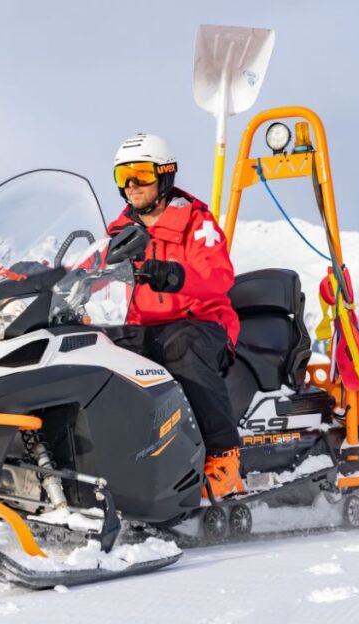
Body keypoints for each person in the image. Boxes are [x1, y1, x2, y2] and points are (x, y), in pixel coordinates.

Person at [107, 133, 245, 498]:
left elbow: (218, 276)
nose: (132, 184)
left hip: (202, 323)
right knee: (94, 348)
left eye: (141, 174)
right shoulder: (120, 231)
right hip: (144, 327)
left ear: (165, 175)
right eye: (124, 176)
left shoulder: (195, 222)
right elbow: (90, 267)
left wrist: (174, 274)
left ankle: (224, 458)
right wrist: (42, 273)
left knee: (182, 348)